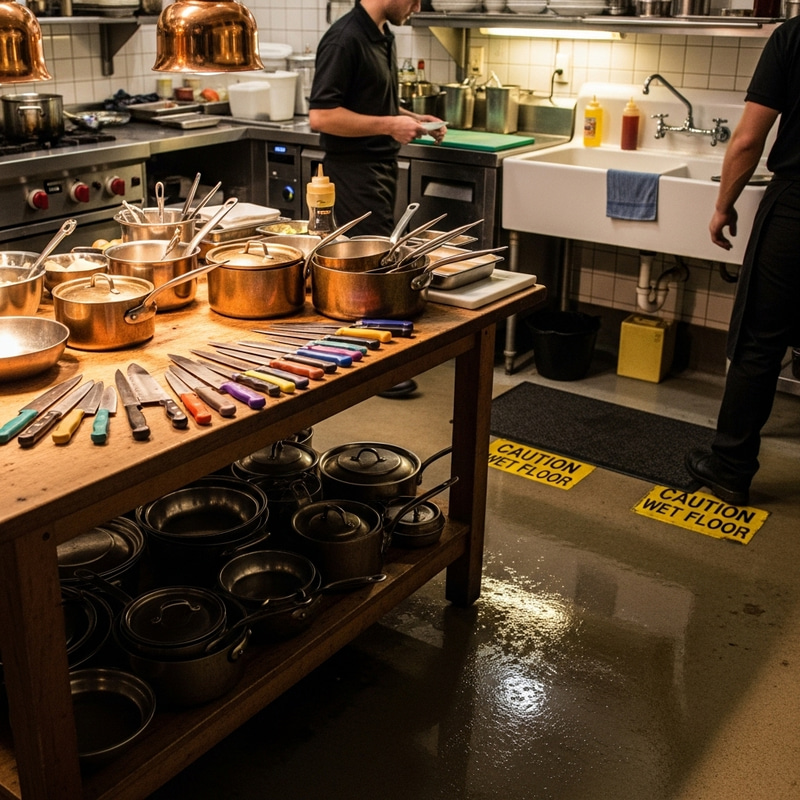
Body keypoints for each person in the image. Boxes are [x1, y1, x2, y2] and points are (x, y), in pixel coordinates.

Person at [684, 16, 800, 507]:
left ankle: (729, 469)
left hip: (797, 210)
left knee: (760, 340)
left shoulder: (793, 36)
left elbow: (749, 138)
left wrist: (722, 205)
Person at [308, 0, 446, 238]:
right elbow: (321, 116)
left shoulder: (382, 35)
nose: (417, 8)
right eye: (414, 0)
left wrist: (414, 120)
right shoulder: (344, 39)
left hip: (380, 174)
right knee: (372, 266)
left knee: (378, 258)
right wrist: (391, 126)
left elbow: (371, 102)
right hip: (354, 177)